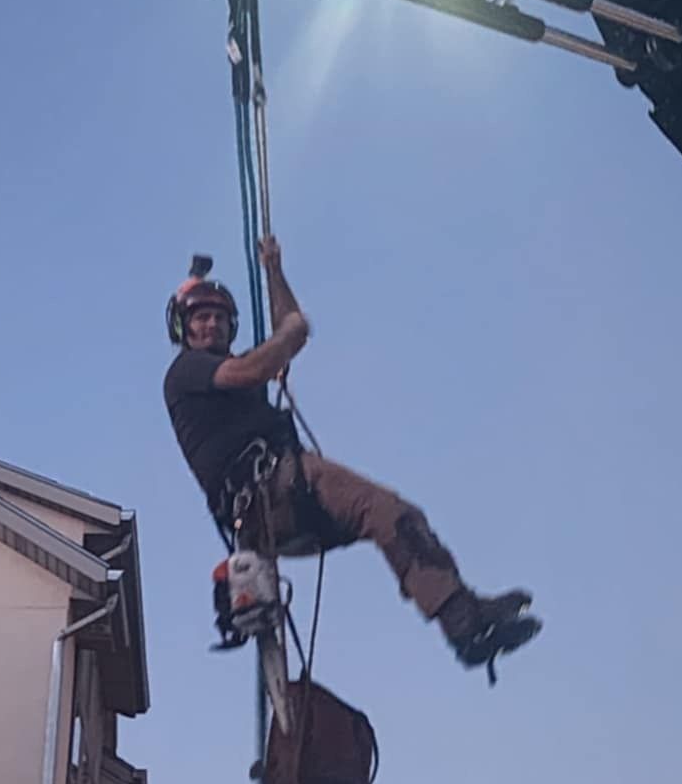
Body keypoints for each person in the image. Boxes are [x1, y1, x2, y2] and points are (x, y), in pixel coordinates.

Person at [163, 237, 541, 673]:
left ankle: (464, 619)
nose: (210, 325)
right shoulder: (188, 371)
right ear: (183, 329)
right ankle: (462, 623)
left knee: (396, 521)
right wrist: (290, 335)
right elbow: (262, 360)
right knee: (388, 511)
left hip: (275, 507)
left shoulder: (231, 375)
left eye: (218, 318)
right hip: (273, 488)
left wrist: (274, 272)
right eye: (200, 318)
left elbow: (289, 329)